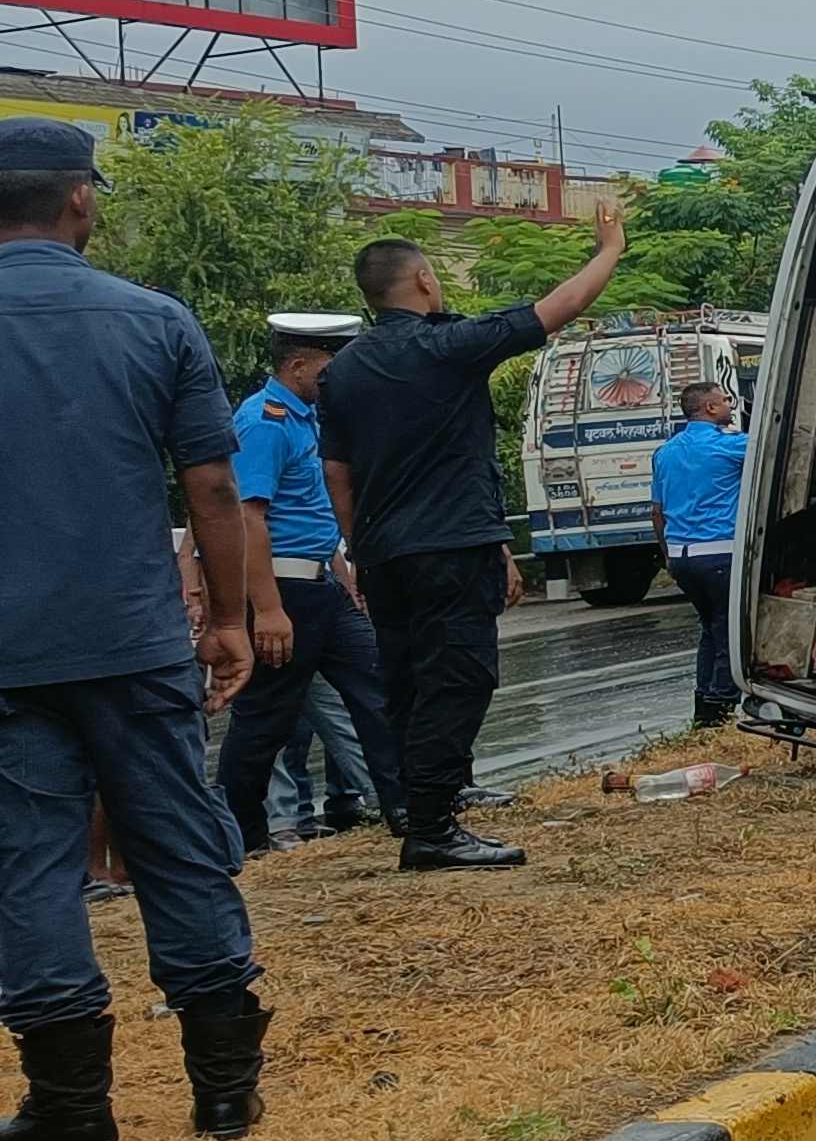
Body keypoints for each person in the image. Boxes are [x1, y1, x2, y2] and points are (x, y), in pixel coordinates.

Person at [0, 115, 270, 1141]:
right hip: (133, 637)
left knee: (27, 866)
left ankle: (72, 1112)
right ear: (78, 199)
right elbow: (211, 483)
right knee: (175, 848)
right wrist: (234, 619)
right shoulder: (155, 322)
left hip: (11, 658)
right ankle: (223, 1096)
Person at [321, 204, 627, 871]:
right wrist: (609, 250)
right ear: (425, 280)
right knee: (459, 678)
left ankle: (422, 804)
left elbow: (337, 474)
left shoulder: (341, 371)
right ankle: (432, 828)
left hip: (385, 552)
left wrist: (362, 548)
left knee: (407, 683)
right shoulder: (446, 347)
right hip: (447, 549)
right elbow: (555, 309)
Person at [212, 314, 404, 856]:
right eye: (328, 370)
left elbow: (313, 515)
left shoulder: (308, 417)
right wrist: (268, 611)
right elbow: (249, 519)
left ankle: (407, 804)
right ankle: (241, 837)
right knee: (265, 718)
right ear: (297, 366)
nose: (335, 381)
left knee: (378, 687)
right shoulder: (265, 422)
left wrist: (346, 578)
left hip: (323, 586)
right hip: (282, 592)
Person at [653, 379, 750, 723]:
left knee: (709, 628)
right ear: (710, 408)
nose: (729, 406)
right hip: (721, 552)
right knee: (730, 632)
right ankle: (719, 710)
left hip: (681, 557)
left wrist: (668, 555)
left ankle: (703, 706)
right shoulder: (732, 446)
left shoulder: (665, 452)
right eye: (725, 401)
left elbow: (657, 512)